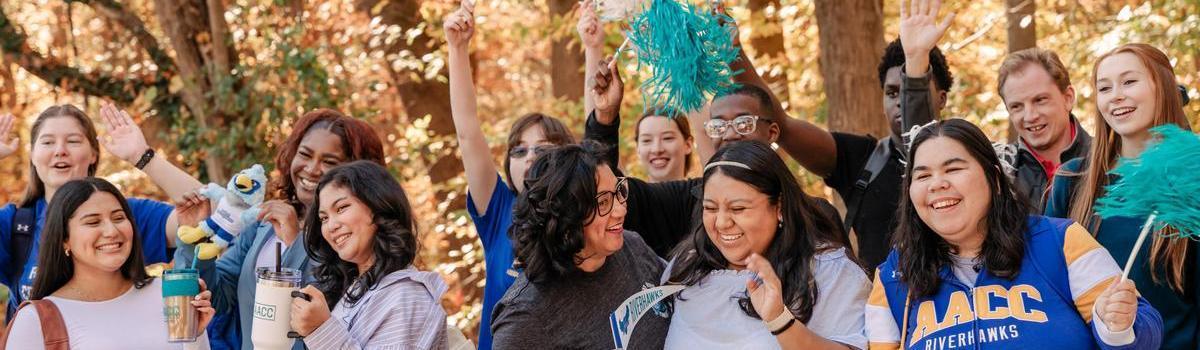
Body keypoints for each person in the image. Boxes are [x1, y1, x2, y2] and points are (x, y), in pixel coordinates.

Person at [866, 119, 1163, 349]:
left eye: (953, 169)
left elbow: (1146, 334)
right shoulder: (894, 276)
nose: (937, 184)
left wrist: (1118, 326)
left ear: (994, 178)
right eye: (923, 175)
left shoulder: (1061, 241)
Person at [740, 0, 952, 273]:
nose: (900, 101)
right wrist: (733, 51)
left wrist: (917, 63)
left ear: (942, 98)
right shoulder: (862, 158)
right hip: (881, 308)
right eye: (891, 92)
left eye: (909, 88)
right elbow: (781, 124)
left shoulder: (966, 156)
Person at [174, 108, 386, 350]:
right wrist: (194, 237)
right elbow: (219, 298)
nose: (311, 168)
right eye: (304, 154)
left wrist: (295, 241)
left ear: (355, 173)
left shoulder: (351, 239)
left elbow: (328, 311)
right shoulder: (262, 226)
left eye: (329, 162)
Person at [1045, 43, 1197, 350]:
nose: (1116, 95)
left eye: (1129, 82)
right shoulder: (1071, 181)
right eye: (1104, 87)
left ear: (1164, 88)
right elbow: (1051, 289)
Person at [444, 3, 579, 348]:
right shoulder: (500, 210)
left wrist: (592, 49)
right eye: (519, 151)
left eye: (544, 149)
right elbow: (468, 133)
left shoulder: (588, 217)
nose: (530, 157)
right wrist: (457, 50)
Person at [0, 103, 203, 316]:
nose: (60, 150)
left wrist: (143, 157)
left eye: (73, 141)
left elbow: (210, 215)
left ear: (94, 154)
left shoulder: (124, 217)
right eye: (48, 142)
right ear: (33, 155)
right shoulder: (15, 226)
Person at [664, 141, 868, 349]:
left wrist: (780, 320)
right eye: (710, 208)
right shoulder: (687, 266)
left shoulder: (829, 272)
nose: (722, 222)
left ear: (779, 207)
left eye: (738, 208)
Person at [491, 143, 669, 349]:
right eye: (603, 203)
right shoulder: (525, 317)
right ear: (565, 217)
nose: (620, 210)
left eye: (619, 190)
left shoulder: (632, 245)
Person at [3, 178, 215, 349]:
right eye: (93, 222)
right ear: (64, 239)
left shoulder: (168, 295)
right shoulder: (35, 321)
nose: (112, 231)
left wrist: (195, 337)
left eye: (119, 218)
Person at [286, 161, 448, 349]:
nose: (331, 226)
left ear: (379, 206)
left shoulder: (408, 296)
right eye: (324, 218)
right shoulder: (356, 289)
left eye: (341, 208)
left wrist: (321, 330)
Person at [996, 48, 1092, 211]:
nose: (1029, 116)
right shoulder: (999, 172)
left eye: (1040, 100)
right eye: (1017, 106)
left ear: (1068, 98)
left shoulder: (1108, 159)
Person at [636, 110, 695, 182]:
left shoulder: (707, 192)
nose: (656, 149)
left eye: (667, 138)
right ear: (638, 149)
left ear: (688, 145)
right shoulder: (625, 192)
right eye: (647, 140)